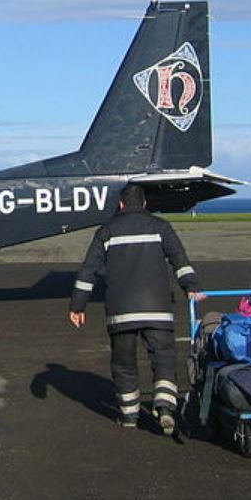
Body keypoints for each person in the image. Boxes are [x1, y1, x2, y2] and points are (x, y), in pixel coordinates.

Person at [68, 184, 203, 434]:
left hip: (121, 312)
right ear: (144, 204)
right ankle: (164, 407)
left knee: (124, 364)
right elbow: (180, 261)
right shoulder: (160, 227)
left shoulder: (106, 232)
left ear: (120, 204)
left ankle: (129, 416)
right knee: (163, 358)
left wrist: (78, 305)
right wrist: (191, 287)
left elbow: (88, 271)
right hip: (158, 309)